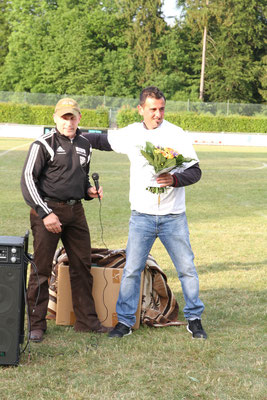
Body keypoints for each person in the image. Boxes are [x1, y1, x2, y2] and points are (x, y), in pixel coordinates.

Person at [107, 86, 207, 339]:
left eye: (162, 109)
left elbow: (195, 172)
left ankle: (194, 318)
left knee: (186, 269)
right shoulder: (130, 133)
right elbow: (102, 141)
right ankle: (126, 321)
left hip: (174, 216)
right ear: (141, 109)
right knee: (131, 270)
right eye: (153, 109)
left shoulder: (176, 134)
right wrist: (73, 134)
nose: (158, 114)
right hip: (141, 216)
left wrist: (174, 180)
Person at [21, 98, 111, 342]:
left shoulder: (85, 144)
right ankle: (36, 325)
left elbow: (80, 180)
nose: (68, 122)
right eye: (64, 117)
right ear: (55, 118)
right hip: (47, 211)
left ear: (79, 118)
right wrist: (45, 213)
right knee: (41, 269)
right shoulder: (43, 145)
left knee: (82, 266)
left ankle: (87, 321)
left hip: (76, 212)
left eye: (72, 117)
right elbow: (28, 180)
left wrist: (89, 193)